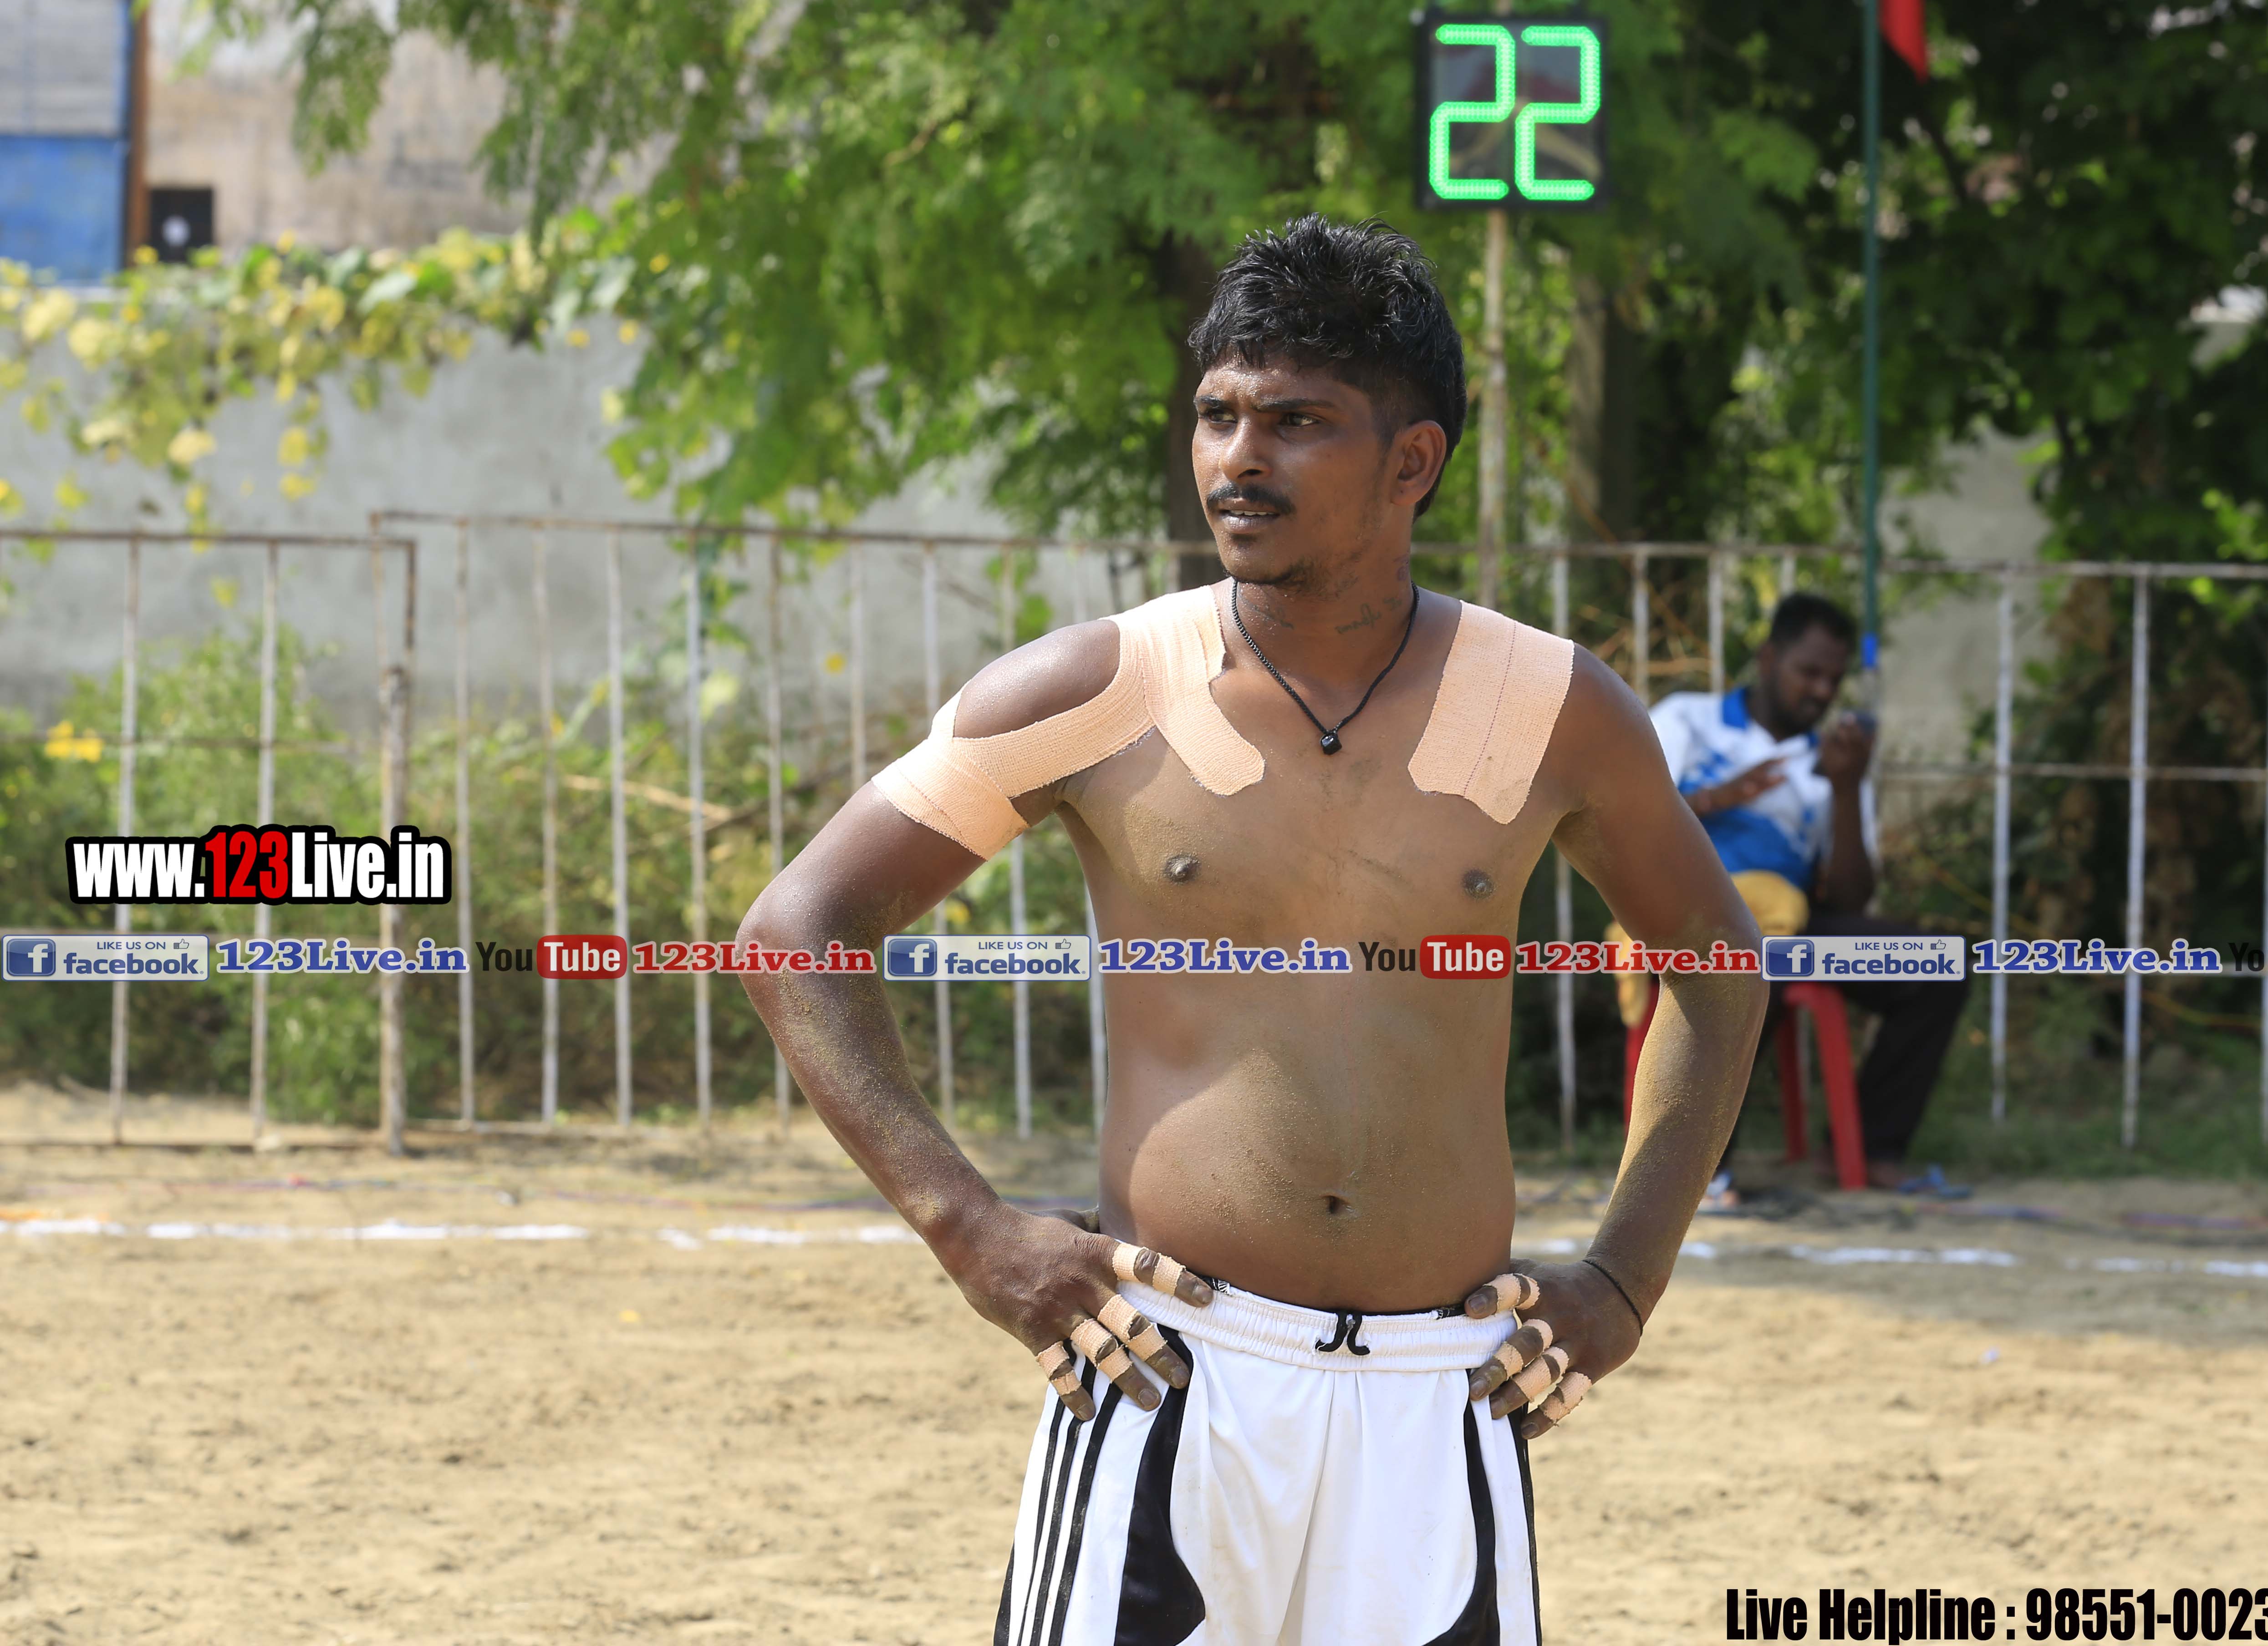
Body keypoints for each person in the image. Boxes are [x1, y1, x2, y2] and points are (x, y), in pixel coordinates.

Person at [736, 214, 1768, 1643]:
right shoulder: (1098, 689)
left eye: (1297, 423)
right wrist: (971, 1231)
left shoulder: (1548, 710)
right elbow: (798, 931)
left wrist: (1625, 1283)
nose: (1237, 459)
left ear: (1413, 461)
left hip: (1446, 1394)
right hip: (1168, 1372)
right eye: (1219, 415)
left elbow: (1717, 968)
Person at [1640, 594, 1970, 1195]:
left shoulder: (1831, 762)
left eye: (1833, 680)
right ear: (1769, 658)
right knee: (1749, 958)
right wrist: (1717, 799)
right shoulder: (1689, 721)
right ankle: (1696, 1168)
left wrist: (1845, 790)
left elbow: (1850, 900)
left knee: (1939, 964)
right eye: (1809, 672)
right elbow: (1627, 819)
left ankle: (1866, 1149)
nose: (1821, 691)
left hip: (1789, 928)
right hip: (1681, 919)